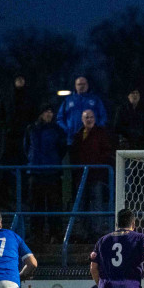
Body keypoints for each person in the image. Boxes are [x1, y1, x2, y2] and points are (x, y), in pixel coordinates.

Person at [23, 103, 67, 242]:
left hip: (52, 172)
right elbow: (26, 147)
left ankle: (56, 234)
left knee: (54, 205)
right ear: (40, 113)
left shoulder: (57, 130)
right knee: (36, 206)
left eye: (50, 111)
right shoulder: (31, 129)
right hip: (36, 172)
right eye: (46, 111)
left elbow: (62, 148)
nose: (49, 114)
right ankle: (37, 234)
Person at [70, 109, 115, 239]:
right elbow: (74, 154)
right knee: (82, 203)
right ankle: (82, 232)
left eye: (91, 117)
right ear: (82, 120)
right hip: (82, 175)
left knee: (96, 202)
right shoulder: (78, 135)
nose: (89, 119)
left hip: (96, 174)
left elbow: (107, 151)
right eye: (86, 117)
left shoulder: (100, 133)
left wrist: (97, 163)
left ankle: (97, 231)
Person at [57, 76, 107, 146]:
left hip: (92, 137)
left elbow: (103, 116)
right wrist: (67, 129)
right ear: (75, 86)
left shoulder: (95, 99)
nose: (82, 86)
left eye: (84, 84)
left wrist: (97, 128)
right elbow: (60, 118)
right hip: (73, 138)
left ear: (87, 85)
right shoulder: (68, 100)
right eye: (79, 84)